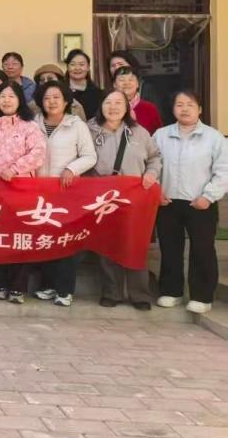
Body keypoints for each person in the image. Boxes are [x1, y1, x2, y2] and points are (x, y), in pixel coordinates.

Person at [153, 90, 228, 314]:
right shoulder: (160, 135)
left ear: (200, 109)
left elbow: (224, 171)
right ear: (173, 109)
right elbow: (151, 165)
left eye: (190, 104)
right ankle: (171, 291)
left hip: (201, 202)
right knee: (169, 248)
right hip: (167, 202)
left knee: (202, 249)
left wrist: (209, 196)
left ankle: (202, 296)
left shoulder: (214, 137)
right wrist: (156, 192)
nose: (184, 109)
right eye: (179, 104)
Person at [89, 88, 161, 310]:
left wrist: (151, 174)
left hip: (134, 198)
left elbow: (155, 158)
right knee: (107, 246)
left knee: (135, 245)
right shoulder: (90, 130)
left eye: (118, 103)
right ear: (101, 106)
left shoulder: (139, 132)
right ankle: (112, 292)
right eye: (108, 102)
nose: (113, 107)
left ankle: (140, 295)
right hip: (103, 198)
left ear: (127, 107)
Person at [0, 79, 47, 304]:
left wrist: (14, 169)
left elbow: (38, 153)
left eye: (12, 96)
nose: (7, 100)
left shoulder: (30, 126)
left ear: (20, 100)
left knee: (20, 237)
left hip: (21, 189)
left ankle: (18, 287)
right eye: (2, 96)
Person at [32, 80, 97, 307]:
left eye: (56, 97)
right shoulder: (33, 123)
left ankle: (65, 290)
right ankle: (47, 285)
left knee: (66, 240)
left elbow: (89, 156)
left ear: (66, 100)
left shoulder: (76, 125)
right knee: (45, 240)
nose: (51, 102)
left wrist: (72, 168)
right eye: (47, 98)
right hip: (39, 192)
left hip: (66, 191)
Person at [113, 66, 162, 134]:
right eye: (122, 80)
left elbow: (159, 135)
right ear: (114, 85)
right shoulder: (108, 108)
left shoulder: (149, 108)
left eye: (131, 79)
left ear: (137, 84)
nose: (126, 83)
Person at [65, 49, 103, 120]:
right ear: (67, 67)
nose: (77, 68)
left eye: (81, 64)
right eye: (73, 64)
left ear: (88, 67)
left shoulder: (98, 93)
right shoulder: (61, 90)